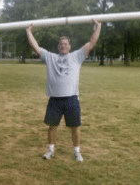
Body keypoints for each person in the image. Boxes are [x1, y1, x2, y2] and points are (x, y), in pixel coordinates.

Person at [26, 19, 102, 162]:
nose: (63, 45)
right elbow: (36, 47)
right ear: (58, 47)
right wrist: (28, 31)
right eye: (61, 44)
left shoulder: (77, 56)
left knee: (75, 127)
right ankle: (50, 150)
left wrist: (98, 26)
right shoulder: (51, 57)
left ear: (70, 46)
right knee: (52, 126)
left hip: (71, 98)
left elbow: (91, 43)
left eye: (66, 43)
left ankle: (77, 151)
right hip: (55, 98)